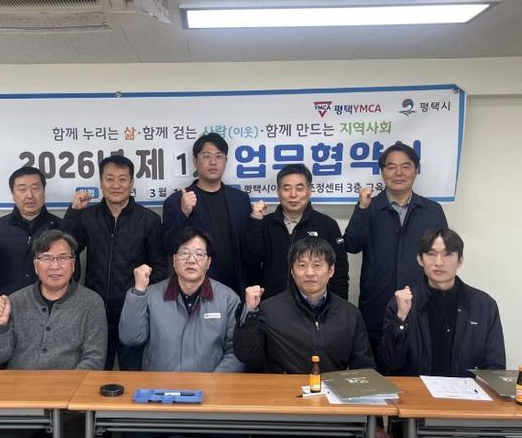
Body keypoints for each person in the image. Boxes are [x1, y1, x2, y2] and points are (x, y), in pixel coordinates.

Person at [234, 237, 400, 438]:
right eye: (301, 265)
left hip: (338, 416)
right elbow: (247, 355)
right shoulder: (269, 309)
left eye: (317, 265)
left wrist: (373, 422)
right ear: (292, 271)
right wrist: (250, 313)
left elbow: (365, 369)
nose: (309, 272)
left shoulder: (349, 314)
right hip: (283, 415)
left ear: (331, 270)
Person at [379, 228, 517, 438]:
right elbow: (390, 363)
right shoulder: (403, 302)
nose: (439, 262)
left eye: (448, 254)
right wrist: (401, 319)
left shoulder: (484, 305)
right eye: (431, 254)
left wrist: (473, 422)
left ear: (460, 260)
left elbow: (494, 369)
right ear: (420, 259)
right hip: (419, 416)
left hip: (472, 413)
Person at [0, 229, 107, 438]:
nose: (55, 266)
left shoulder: (91, 303)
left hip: (72, 409)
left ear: (73, 264)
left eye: (63, 258)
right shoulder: (15, 300)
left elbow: (93, 361)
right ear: (36, 265)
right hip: (20, 402)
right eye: (46, 258)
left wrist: (61, 395)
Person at [118, 227, 251, 438]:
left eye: (199, 254)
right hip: (157, 399)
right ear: (174, 259)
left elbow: (236, 350)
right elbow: (130, 337)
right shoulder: (151, 295)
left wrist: (211, 384)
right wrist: (138, 291)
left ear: (208, 262)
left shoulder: (227, 298)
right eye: (184, 253)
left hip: (211, 399)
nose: (191, 260)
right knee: (133, 436)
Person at [344, 142, 447, 364]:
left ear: (416, 170)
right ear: (382, 172)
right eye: (391, 167)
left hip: (422, 306)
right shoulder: (369, 206)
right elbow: (351, 245)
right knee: (375, 375)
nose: (398, 173)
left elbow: (443, 258)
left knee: (418, 375)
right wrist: (362, 209)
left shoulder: (432, 210)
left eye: (405, 166)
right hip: (377, 307)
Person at [62, 154, 167, 371]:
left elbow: (160, 268)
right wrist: (73, 213)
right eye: (110, 179)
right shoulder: (88, 216)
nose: (116, 185)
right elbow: (66, 250)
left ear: (132, 183)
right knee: (95, 372)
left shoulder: (149, 220)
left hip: (134, 312)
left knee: (134, 372)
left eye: (122, 179)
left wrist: (142, 301)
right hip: (96, 311)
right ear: (101, 182)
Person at [162, 133, 254, 297]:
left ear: (225, 161)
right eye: (206, 156)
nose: (213, 162)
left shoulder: (240, 199)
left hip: (237, 286)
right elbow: (169, 246)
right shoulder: (176, 201)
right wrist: (184, 213)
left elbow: (248, 248)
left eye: (219, 156)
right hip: (197, 290)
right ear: (195, 161)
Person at [242, 163, 348, 300]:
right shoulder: (265, 224)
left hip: (313, 305)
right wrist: (256, 222)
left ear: (309, 190)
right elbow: (251, 259)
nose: (293, 194)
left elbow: (339, 273)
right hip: (271, 304)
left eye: (299, 188)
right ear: (278, 191)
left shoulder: (327, 225)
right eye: (287, 188)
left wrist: (338, 308)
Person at [0, 166, 62, 297]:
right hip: (9, 304)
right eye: (22, 189)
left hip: (51, 304)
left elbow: (71, 272)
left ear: (44, 192)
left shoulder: (60, 227)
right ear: (13, 195)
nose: (30, 195)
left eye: (35, 188)